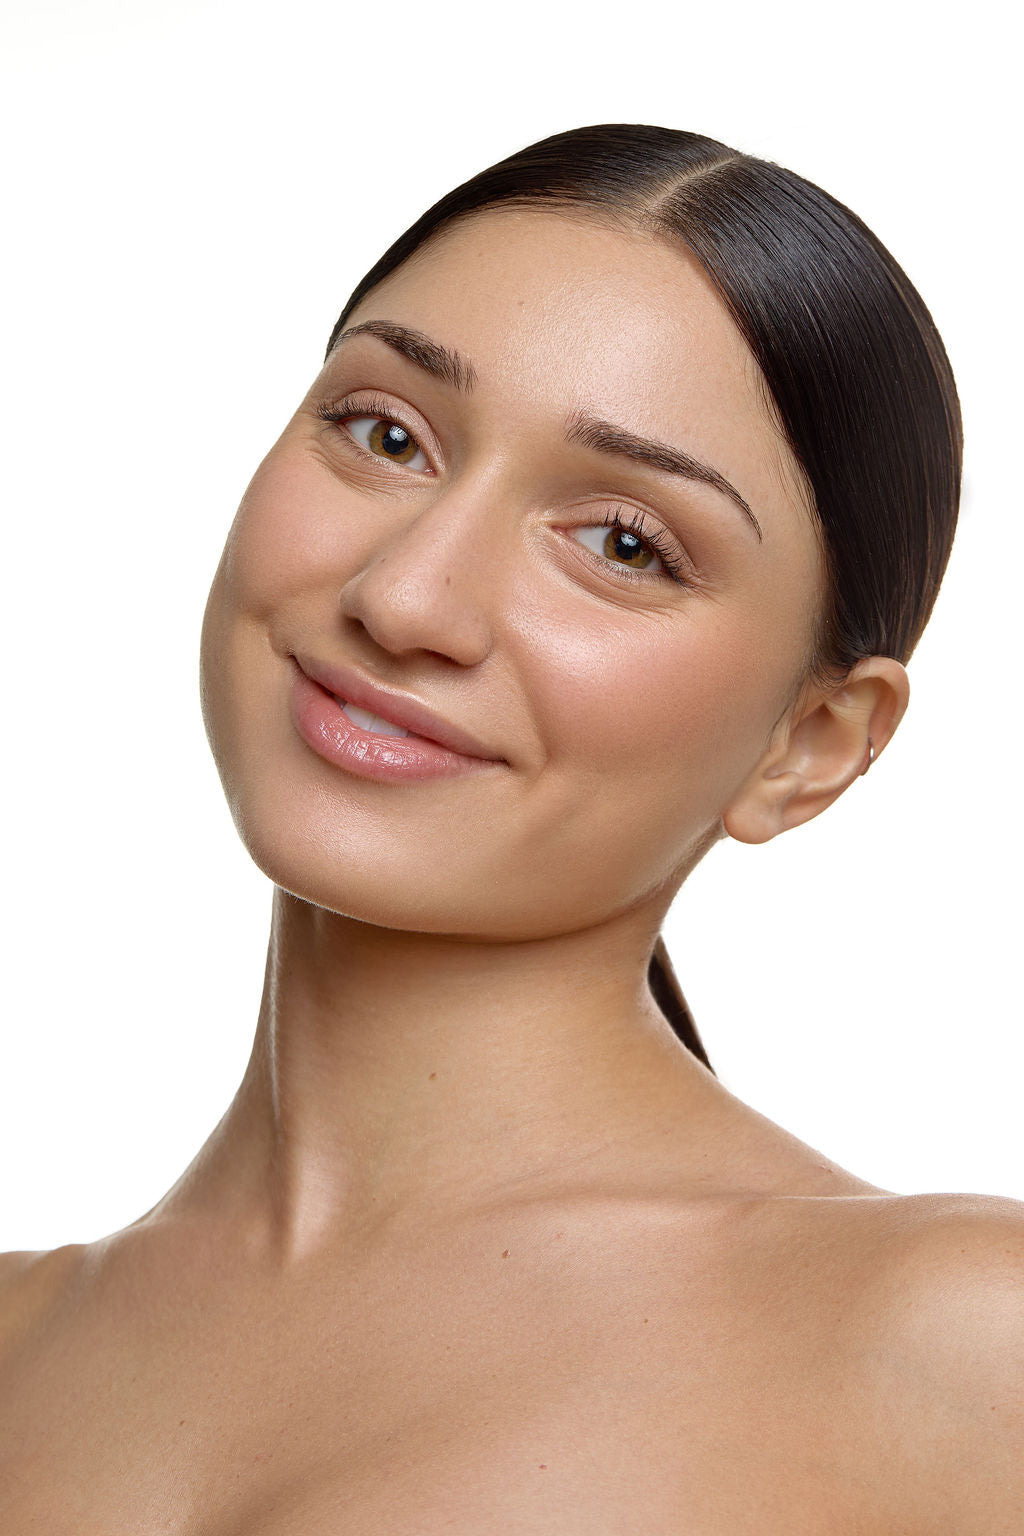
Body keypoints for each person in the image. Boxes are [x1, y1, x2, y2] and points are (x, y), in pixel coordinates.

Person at [1, 122, 1021, 1531]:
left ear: (810, 745)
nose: (406, 598)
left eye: (621, 544)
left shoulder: (969, 1352)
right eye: (387, 434)